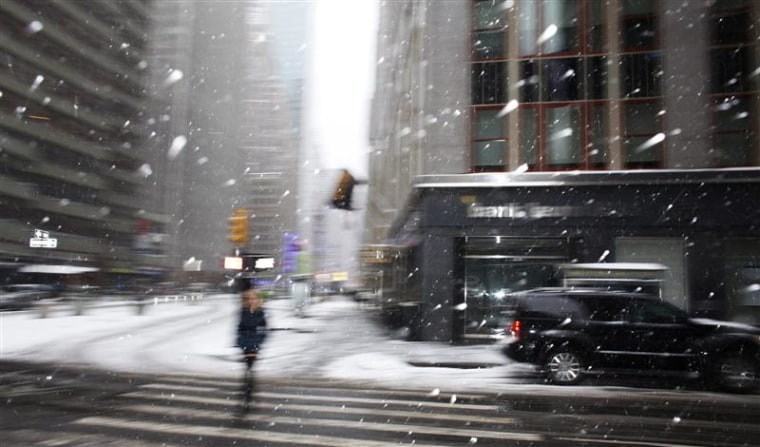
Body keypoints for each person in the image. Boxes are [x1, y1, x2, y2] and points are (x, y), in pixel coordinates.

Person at [236, 285, 267, 411]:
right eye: (249, 298)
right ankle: (248, 394)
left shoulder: (261, 312)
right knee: (248, 371)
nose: (251, 300)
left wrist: (259, 341)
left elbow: (264, 330)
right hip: (245, 345)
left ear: (257, 299)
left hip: (255, 345)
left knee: (249, 370)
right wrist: (240, 341)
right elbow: (239, 329)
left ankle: (247, 396)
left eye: (254, 298)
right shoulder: (243, 312)